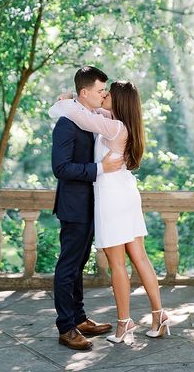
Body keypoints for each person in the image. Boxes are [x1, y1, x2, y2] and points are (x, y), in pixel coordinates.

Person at [50, 79, 170, 345]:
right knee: (140, 258)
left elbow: (80, 114)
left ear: (118, 100)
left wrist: (64, 101)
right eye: (101, 91)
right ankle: (159, 316)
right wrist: (74, 96)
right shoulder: (119, 122)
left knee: (118, 263)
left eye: (108, 93)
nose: (103, 96)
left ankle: (124, 325)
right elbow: (89, 111)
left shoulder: (113, 127)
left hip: (113, 196)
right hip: (124, 192)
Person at [51, 66, 125, 351]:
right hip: (74, 206)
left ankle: (79, 318)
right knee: (68, 266)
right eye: (99, 90)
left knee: (79, 264)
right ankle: (66, 327)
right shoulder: (67, 123)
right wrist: (99, 168)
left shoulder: (92, 116)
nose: (104, 94)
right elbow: (61, 167)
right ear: (85, 93)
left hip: (93, 203)